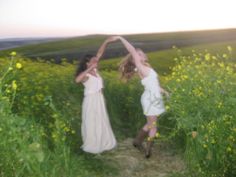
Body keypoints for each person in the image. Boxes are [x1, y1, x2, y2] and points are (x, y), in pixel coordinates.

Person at [109, 36, 169, 158]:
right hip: (151, 99)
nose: (143, 55)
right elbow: (131, 50)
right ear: (136, 58)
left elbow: (154, 85)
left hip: (153, 97)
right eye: (139, 54)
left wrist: (165, 92)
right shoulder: (141, 67)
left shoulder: (147, 67)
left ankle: (137, 142)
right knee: (153, 126)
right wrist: (121, 38)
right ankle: (148, 150)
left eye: (141, 53)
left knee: (150, 123)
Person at [74, 38, 117, 154]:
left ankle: (103, 142)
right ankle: (93, 144)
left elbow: (99, 53)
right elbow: (77, 80)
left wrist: (106, 42)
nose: (96, 61)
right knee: (92, 121)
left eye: (96, 60)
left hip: (99, 99)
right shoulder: (87, 74)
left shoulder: (96, 71)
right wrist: (89, 68)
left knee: (101, 120)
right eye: (93, 60)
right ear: (87, 63)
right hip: (91, 100)